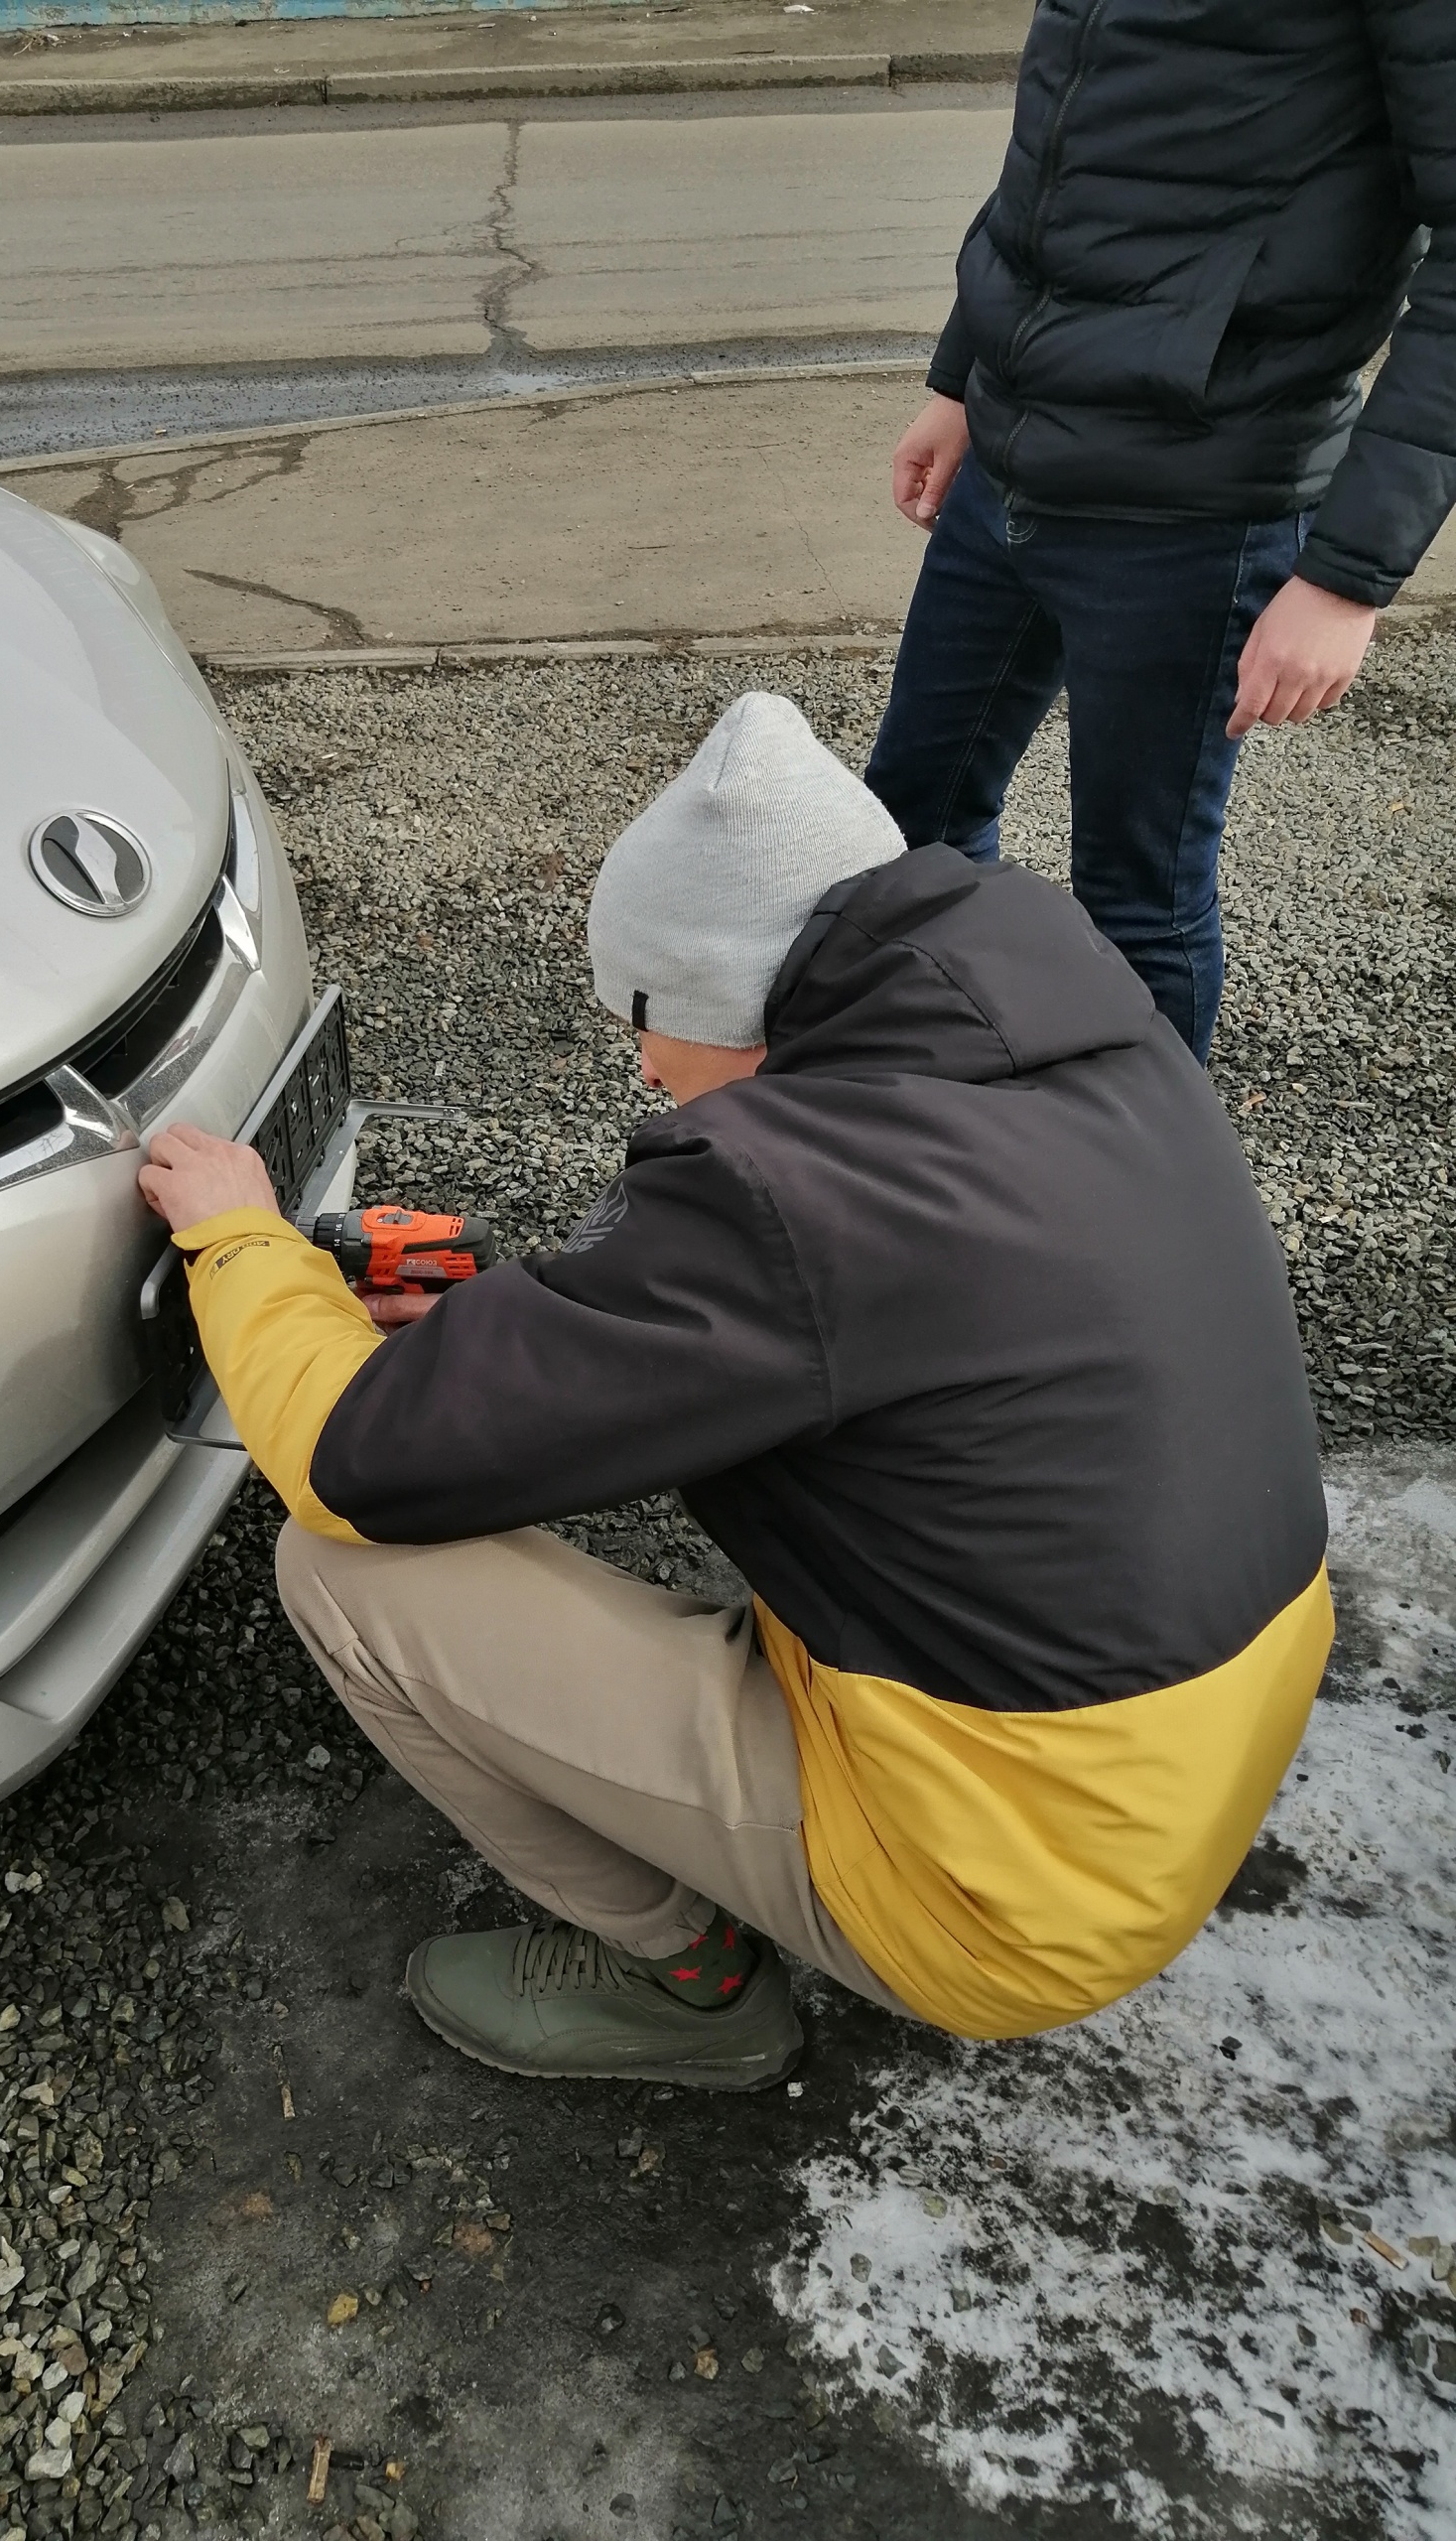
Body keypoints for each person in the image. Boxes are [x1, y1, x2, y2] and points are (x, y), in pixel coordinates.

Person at [138, 694, 1332, 2090]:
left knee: (342, 1576)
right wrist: (524, 1321)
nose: (644, 1066)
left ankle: (693, 1988)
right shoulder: (1096, 1046)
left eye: (649, 1021)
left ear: (727, 992)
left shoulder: (788, 1195)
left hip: (1010, 1894)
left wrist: (238, 1240)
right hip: (1168, 1768)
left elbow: (354, 1460)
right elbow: (862, 1321)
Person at [865, 0, 1456, 1064]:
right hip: (1013, 457)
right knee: (907, 833)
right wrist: (966, 376)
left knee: (1135, 902)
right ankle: (956, 1133)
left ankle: (1139, 1209)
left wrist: (1347, 577)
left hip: (1197, 502)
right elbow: (1063, 144)